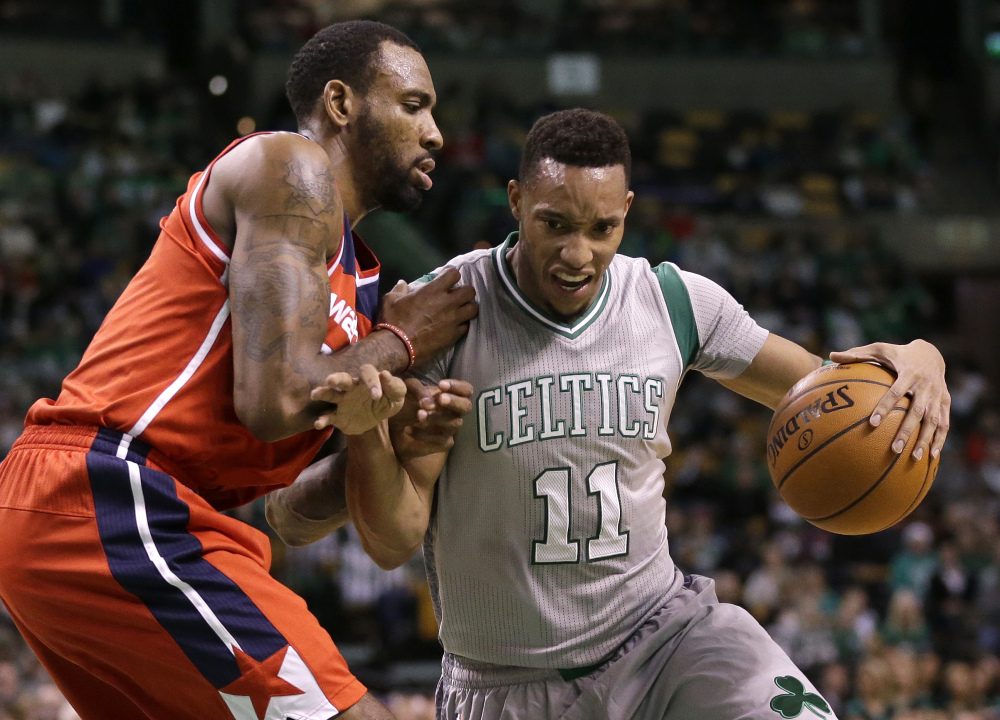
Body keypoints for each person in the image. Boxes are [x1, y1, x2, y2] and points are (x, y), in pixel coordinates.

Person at [282, 108, 951, 719]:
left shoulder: (673, 301)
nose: (579, 254)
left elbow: (826, 394)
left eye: (602, 228)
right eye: (555, 224)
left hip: (666, 641)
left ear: (626, 212)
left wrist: (923, 358)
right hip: (503, 682)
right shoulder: (442, 311)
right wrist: (372, 428)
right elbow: (392, 538)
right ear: (516, 203)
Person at [0, 21, 477, 720]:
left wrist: (390, 440)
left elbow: (287, 515)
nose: (435, 133)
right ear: (340, 103)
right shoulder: (290, 166)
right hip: (108, 491)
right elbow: (276, 397)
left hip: (137, 513)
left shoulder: (362, 288)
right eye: (413, 105)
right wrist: (401, 341)